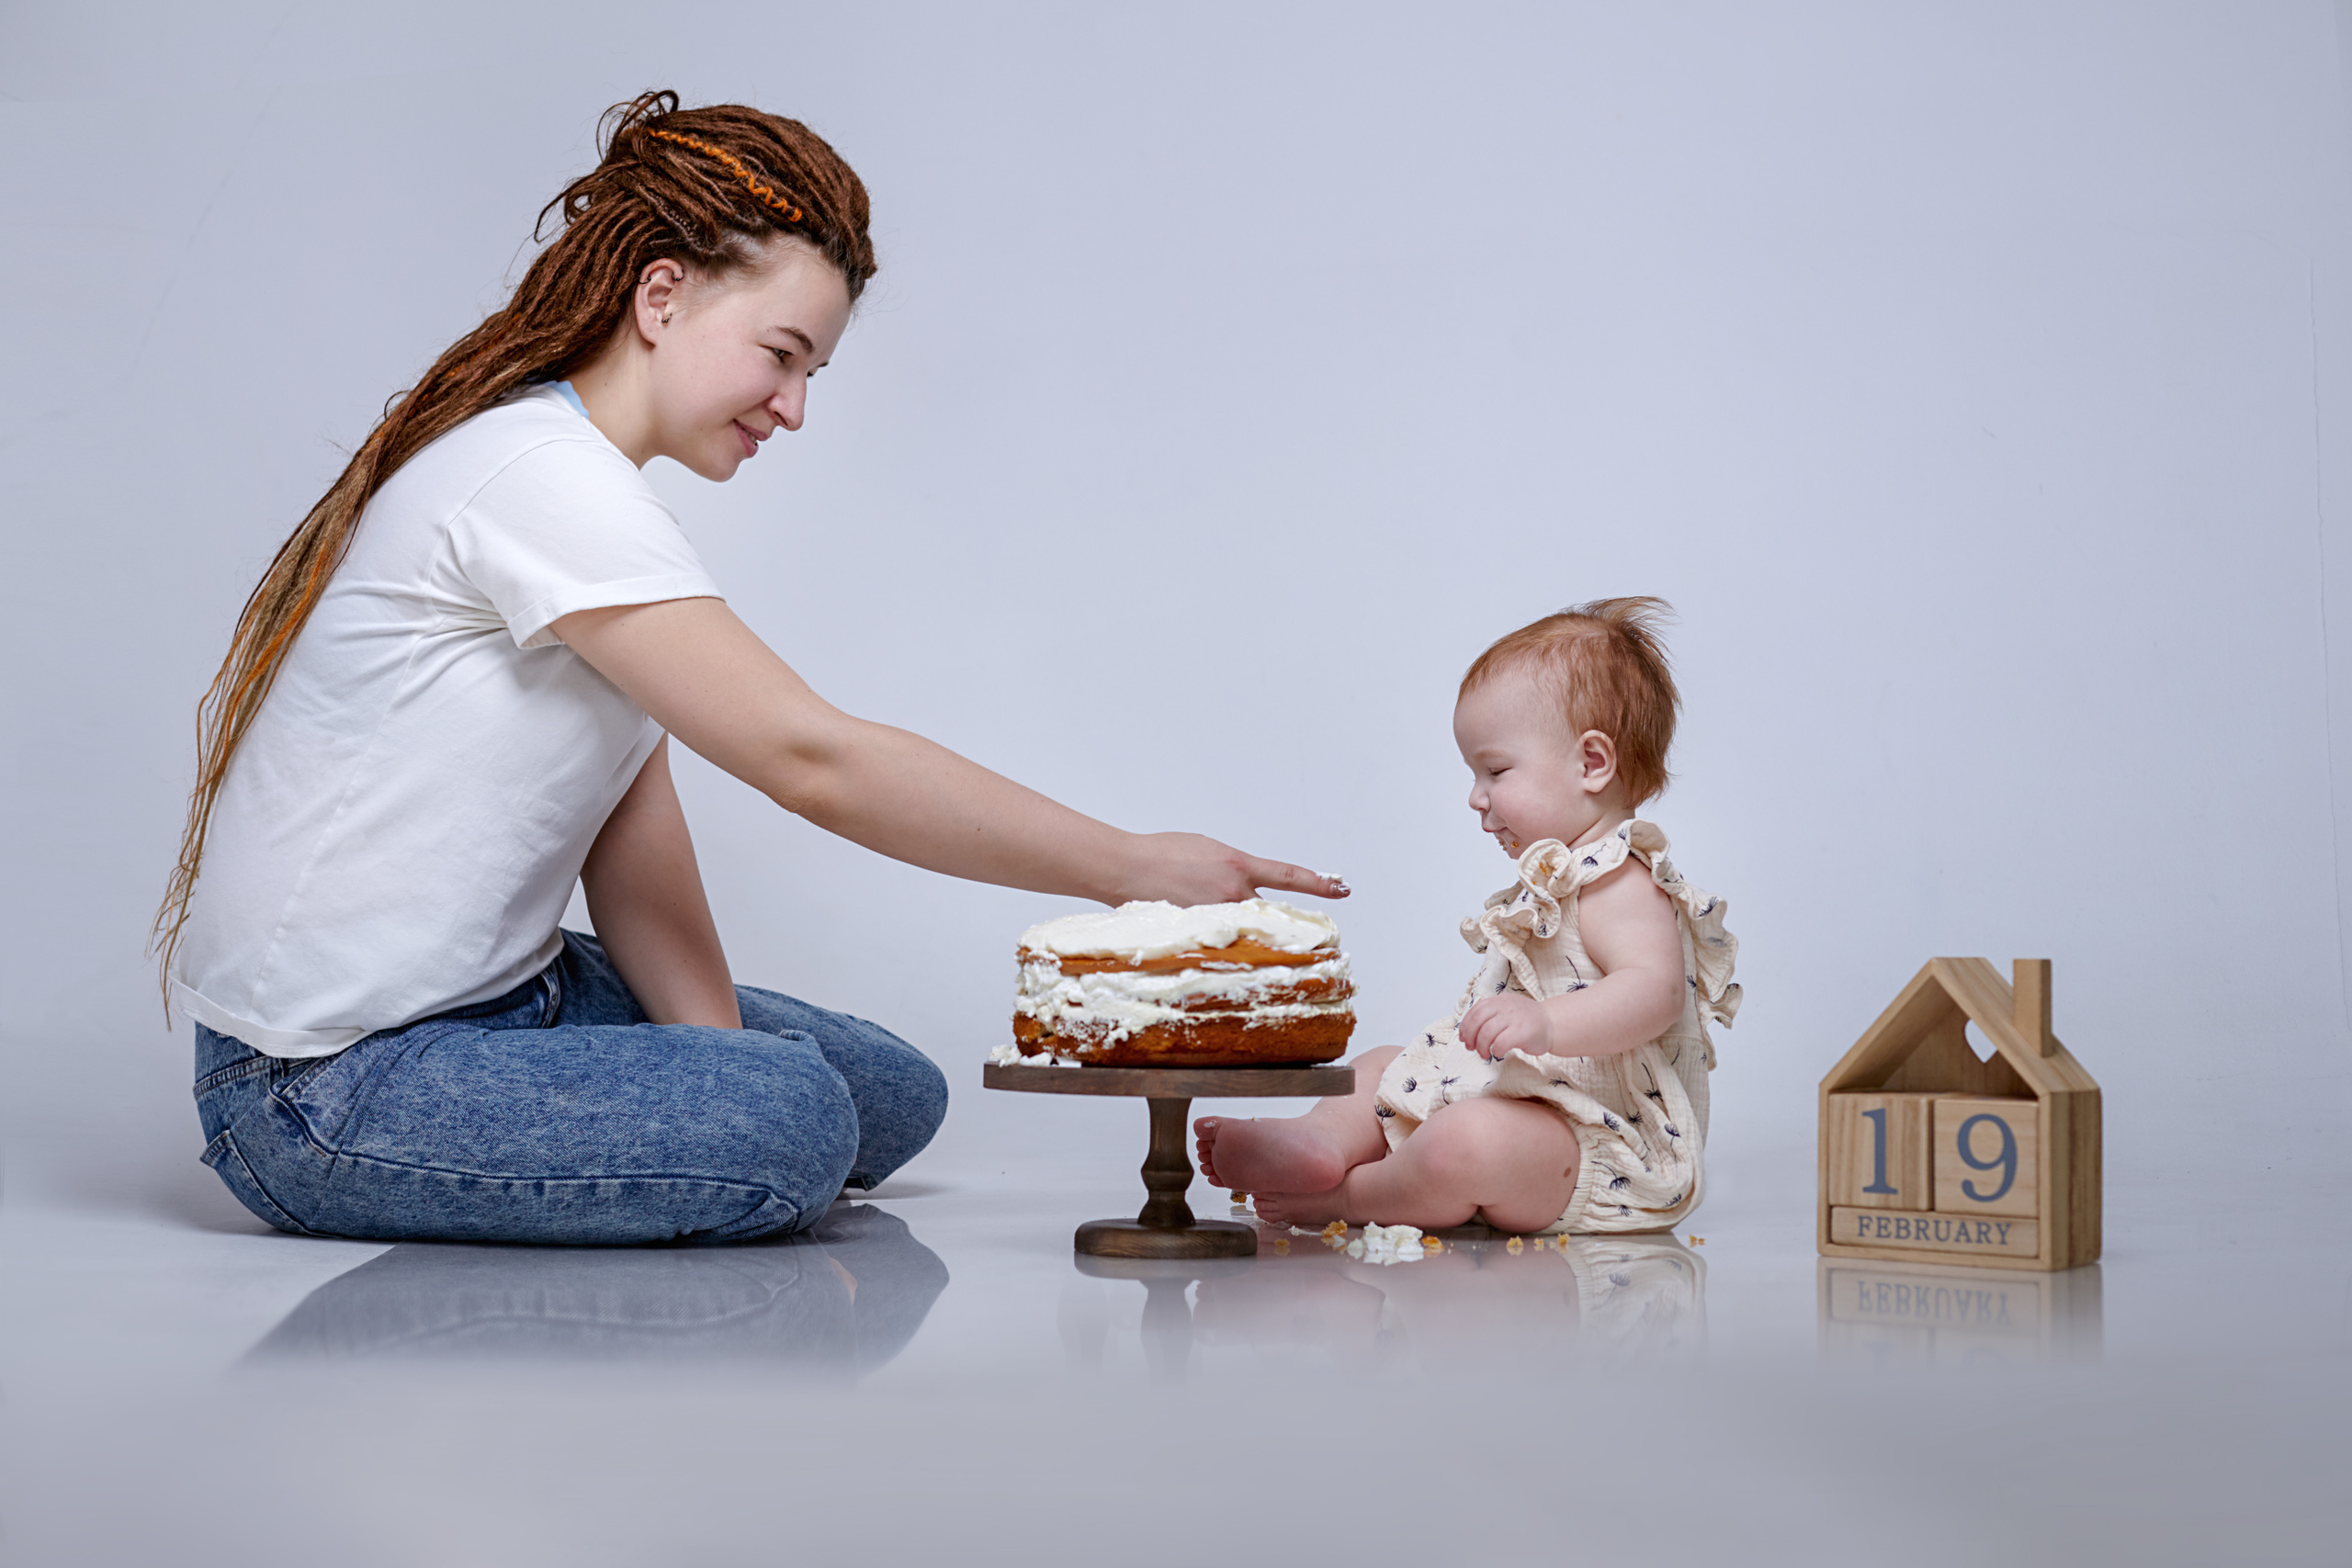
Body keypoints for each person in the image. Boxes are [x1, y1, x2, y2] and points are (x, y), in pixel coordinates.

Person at [158, 92, 1344, 1246]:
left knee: (891, 1093)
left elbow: (631, 833)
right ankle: (676, 1127)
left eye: (813, 371)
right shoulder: (539, 477)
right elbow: (811, 757)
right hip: (322, 1083)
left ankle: (700, 1110)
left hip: (511, 997)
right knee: (795, 1119)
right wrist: (1130, 866)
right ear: (662, 296)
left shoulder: (584, 492)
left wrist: (709, 1056)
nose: (793, 406)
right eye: (782, 354)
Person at [1194, 599, 1737, 1235]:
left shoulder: (1625, 881)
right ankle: (1317, 1142)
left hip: (1595, 1144)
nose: (1476, 798)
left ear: (1593, 763)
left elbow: (1655, 993)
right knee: (1380, 1063)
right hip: (1523, 1098)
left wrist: (1545, 1022)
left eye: (1495, 770)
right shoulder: (1554, 882)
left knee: (1467, 1143)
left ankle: (1349, 1195)